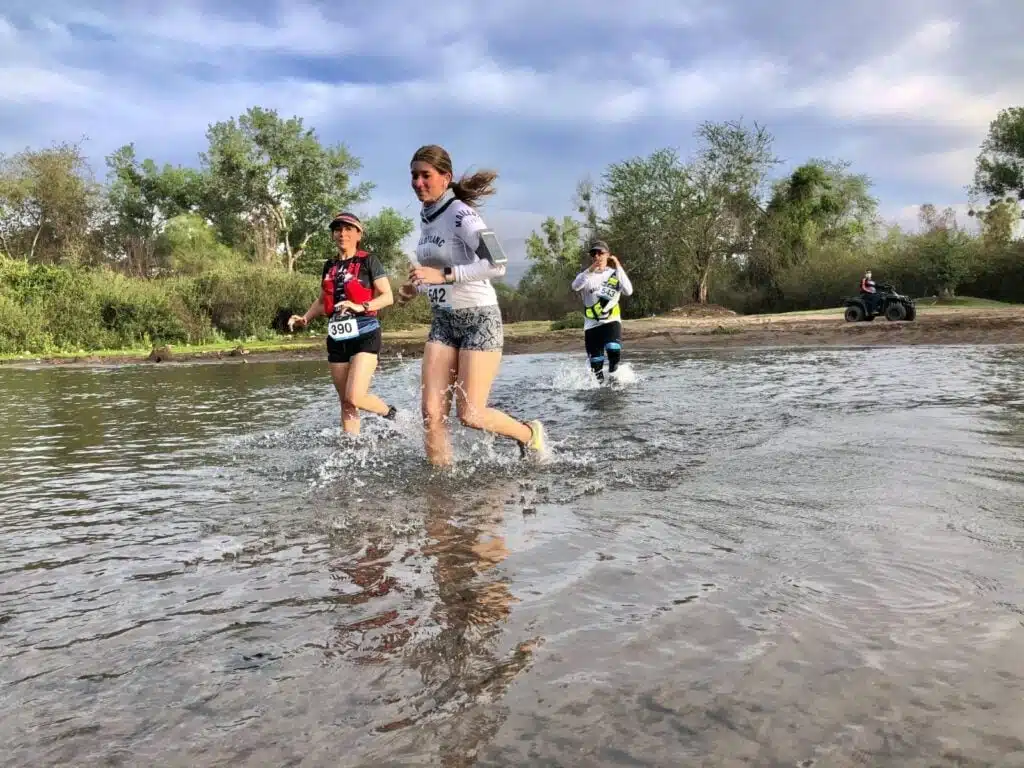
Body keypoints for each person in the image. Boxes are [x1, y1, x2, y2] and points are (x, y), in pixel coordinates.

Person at [396, 144, 547, 467]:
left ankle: (529, 434)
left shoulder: (462, 214)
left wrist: (444, 275)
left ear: (445, 177)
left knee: (471, 414)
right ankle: (440, 494)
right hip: (443, 322)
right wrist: (414, 287)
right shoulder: (427, 216)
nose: (418, 183)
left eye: (425, 176)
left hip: (480, 320)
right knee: (432, 414)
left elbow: (498, 264)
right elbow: (436, 270)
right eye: (414, 176)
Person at [288, 211, 398, 435]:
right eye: (338, 229)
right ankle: (351, 448)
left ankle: (389, 413)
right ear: (333, 235)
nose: (342, 234)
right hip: (337, 338)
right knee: (346, 403)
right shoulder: (329, 265)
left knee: (355, 396)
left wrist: (362, 306)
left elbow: (388, 296)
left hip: (365, 334)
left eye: (348, 229)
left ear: (359, 234)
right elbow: (322, 301)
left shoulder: (369, 261)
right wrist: (305, 318)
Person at [571, 240, 634, 382]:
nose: (597, 256)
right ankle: (600, 392)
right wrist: (590, 270)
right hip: (592, 325)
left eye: (601, 253)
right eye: (594, 254)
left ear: (608, 255)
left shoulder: (614, 274)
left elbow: (628, 291)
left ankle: (613, 377)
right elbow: (575, 286)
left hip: (611, 321)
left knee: (613, 350)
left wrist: (618, 266)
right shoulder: (586, 276)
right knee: (596, 368)